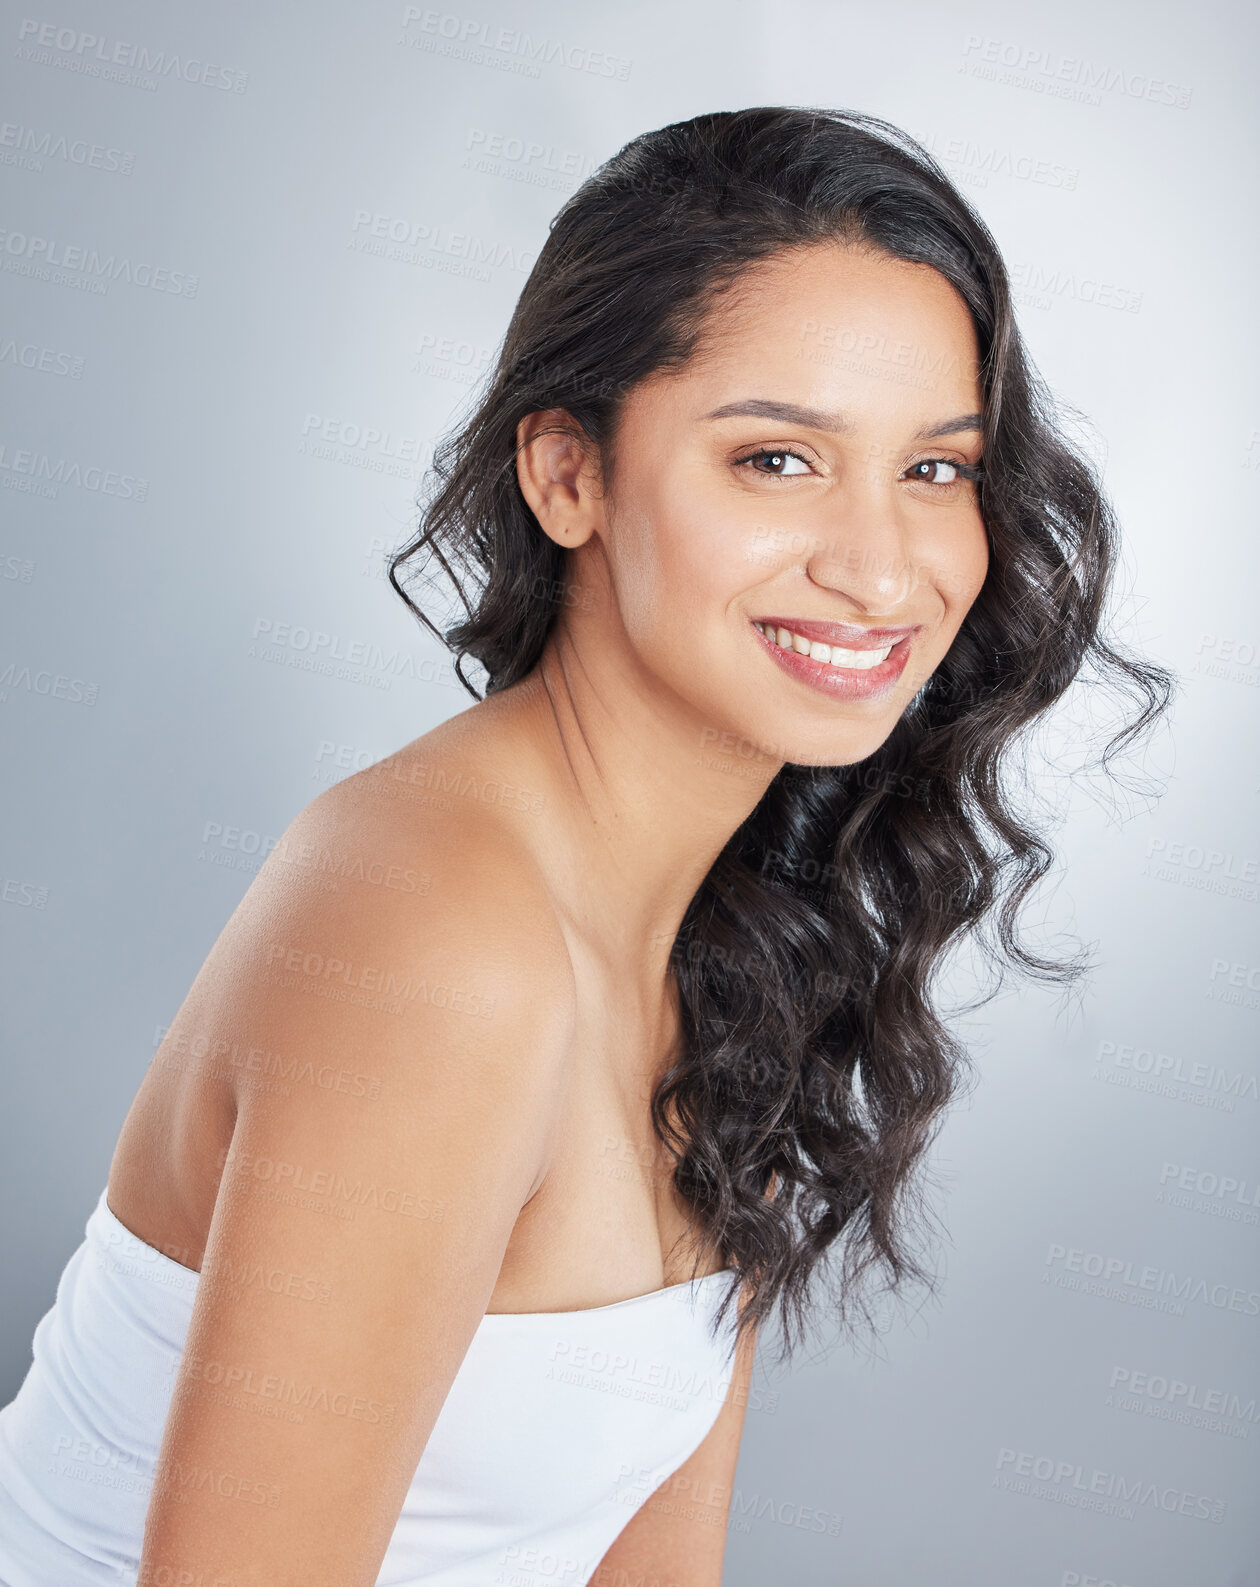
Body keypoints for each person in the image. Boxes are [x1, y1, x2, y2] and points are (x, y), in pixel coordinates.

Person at [0, 106, 1171, 1586]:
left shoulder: (737, 928)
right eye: (776, 462)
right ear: (570, 478)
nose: (882, 568)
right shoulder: (436, 935)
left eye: (935, 471)